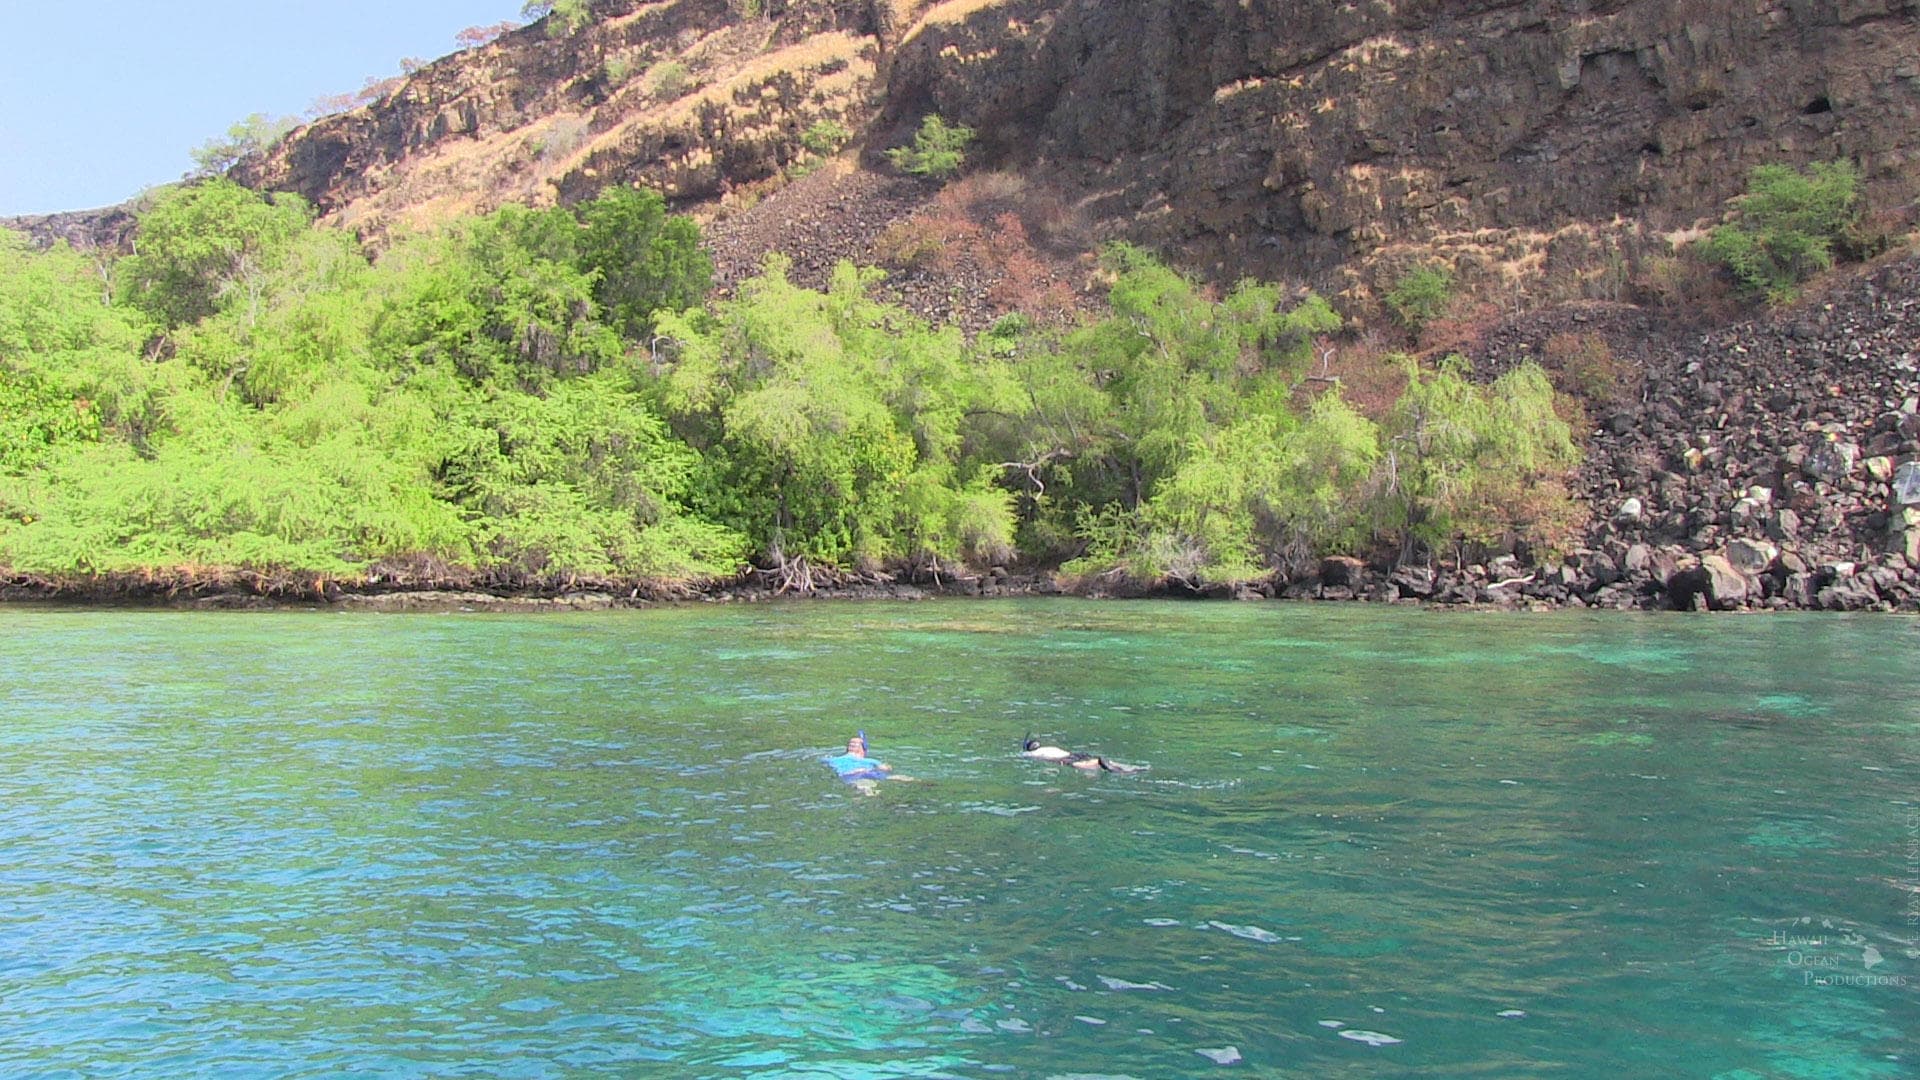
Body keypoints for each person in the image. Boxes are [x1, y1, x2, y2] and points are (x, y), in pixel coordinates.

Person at [1022, 737, 1148, 774]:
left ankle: (1107, 766)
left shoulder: (1031, 754)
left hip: (1064, 759)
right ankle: (1129, 767)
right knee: (1090, 761)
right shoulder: (1048, 747)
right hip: (1073, 753)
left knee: (1084, 766)